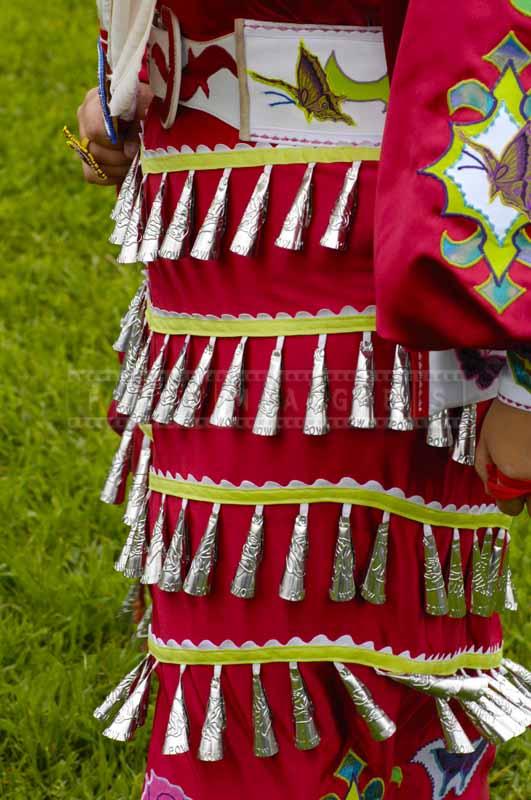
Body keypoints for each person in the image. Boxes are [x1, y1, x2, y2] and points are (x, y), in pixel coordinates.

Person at [73, 2, 531, 798]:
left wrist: (523, 375)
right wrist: (126, 74)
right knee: (228, 660)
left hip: (384, 250)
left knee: (364, 664)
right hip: (209, 260)